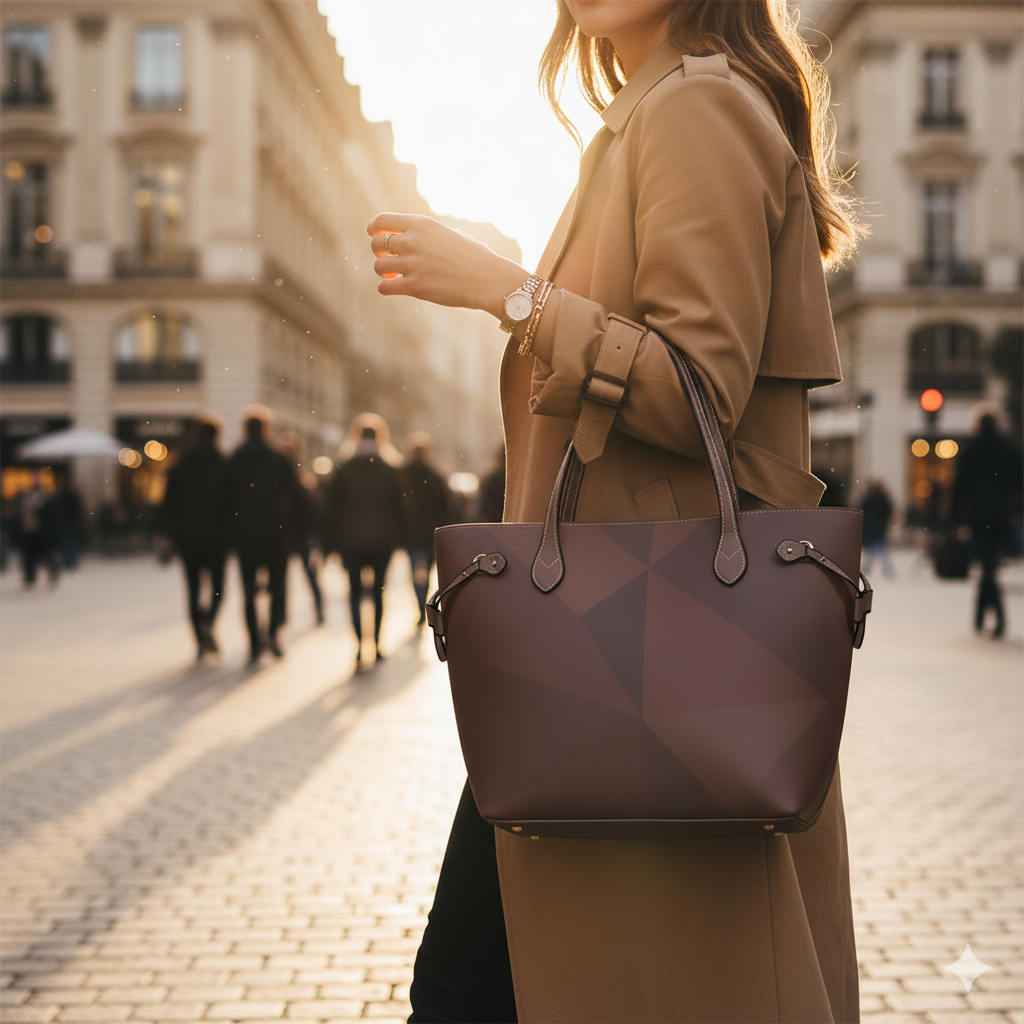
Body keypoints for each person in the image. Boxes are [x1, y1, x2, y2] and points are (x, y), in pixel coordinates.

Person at [367, 1, 863, 1021]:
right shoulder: (656, 111)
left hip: (631, 651)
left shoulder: (698, 107)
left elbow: (697, 392)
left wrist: (508, 296)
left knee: (467, 992)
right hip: (601, 650)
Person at [224, 407, 302, 664]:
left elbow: (225, 498)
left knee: (248, 590)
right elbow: (294, 495)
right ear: (266, 430)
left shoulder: (234, 459)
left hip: (244, 534)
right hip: (275, 533)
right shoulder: (278, 460)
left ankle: (254, 644)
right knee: (277, 588)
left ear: (245, 430)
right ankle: (274, 634)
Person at [326, 421, 406, 670]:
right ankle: (378, 644)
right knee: (380, 592)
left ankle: (360, 644)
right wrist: (399, 538)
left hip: (350, 541)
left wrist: (330, 543)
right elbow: (401, 507)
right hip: (382, 540)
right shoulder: (390, 469)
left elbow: (331, 508)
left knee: (354, 592)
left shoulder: (344, 469)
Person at [159, 417, 228, 658]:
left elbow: (167, 504)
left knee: (193, 588)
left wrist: (167, 534)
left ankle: (199, 639)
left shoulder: (180, 465)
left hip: (187, 536)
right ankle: (209, 623)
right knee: (219, 587)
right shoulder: (223, 463)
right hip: (217, 536)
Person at [952, 409, 1024, 638]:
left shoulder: (971, 450)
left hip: (978, 517)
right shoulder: (1008, 449)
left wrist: (956, 519)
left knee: (987, 566)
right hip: (1001, 516)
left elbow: (959, 487)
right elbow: (1018, 482)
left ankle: (993, 616)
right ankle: (983, 615)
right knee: (989, 565)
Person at [401, 433, 453, 625]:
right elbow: (447, 506)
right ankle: (425, 605)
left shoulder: (402, 475)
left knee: (416, 569)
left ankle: (420, 604)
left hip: (412, 532)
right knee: (427, 570)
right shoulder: (435, 475)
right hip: (432, 532)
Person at [278, 431, 326, 626]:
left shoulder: (289, 478)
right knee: (310, 575)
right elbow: (314, 510)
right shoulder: (304, 478)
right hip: (301, 534)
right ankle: (318, 608)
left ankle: (282, 616)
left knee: (284, 578)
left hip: (288, 533)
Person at [14, 471, 61, 587]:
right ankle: (30, 576)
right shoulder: (26, 497)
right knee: (29, 555)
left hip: (42, 532)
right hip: (29, 532)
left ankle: (51, 572)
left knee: (45, 554)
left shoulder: (46, 498)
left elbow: (52, 517)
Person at [860, 479, 895, 577]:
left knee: (876, 550)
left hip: (875, 528)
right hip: (876, 528)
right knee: (877, 550)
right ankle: (886, 569)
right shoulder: (879, 499)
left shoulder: (871, 500)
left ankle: (884, 568)